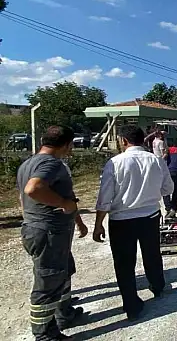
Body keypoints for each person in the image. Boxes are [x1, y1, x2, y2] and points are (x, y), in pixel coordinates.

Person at [93, 125, 174, 320]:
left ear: (123, 141)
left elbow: (105, 198)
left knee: (124, 263)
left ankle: (131, 305)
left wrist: (98, 225)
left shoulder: (114, 162)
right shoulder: (156, 160)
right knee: (152, 254)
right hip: (150, 216)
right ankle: (157, 287)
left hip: (122, 220)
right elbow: (167, 188)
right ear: (143, 140)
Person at [17, 125, 86, 341]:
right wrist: (63, 203)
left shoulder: (28, 163)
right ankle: (45, 334)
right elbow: (33, 189)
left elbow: (23, 199)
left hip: (46, 229)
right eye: (71, 145)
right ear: (66, 144)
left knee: (61, 273)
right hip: (47, 232)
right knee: (47, 282)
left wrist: (78, 221)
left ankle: (64, 313)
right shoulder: (51, 163)